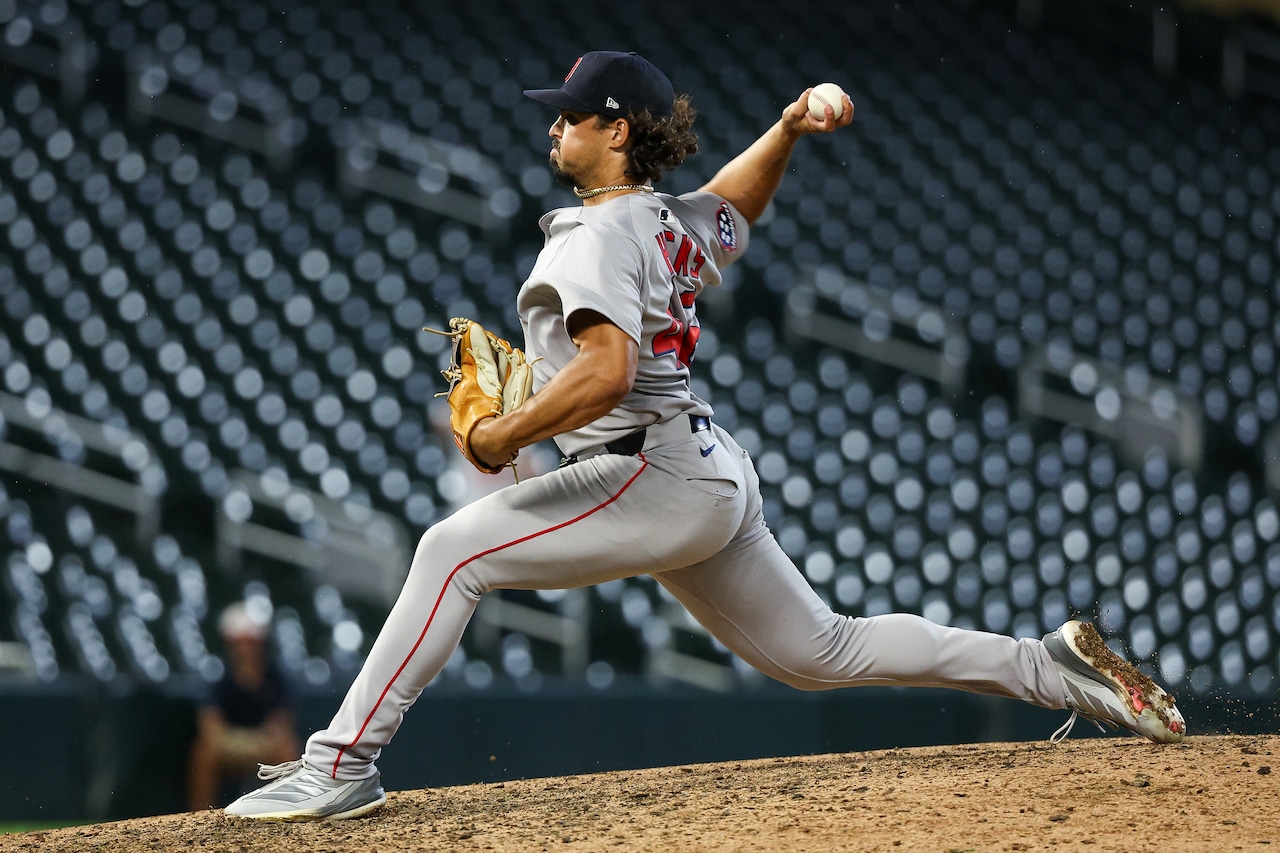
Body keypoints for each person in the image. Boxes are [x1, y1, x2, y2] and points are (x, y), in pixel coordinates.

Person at [224, 50, 1185, 822]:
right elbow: (734, 205)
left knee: (450, 550)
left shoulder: (600, 235)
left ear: (618, 131)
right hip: (700, 467)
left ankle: (340, 765)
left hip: (646, 471)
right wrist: (787, 128)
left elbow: (605, 372)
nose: (555, 125)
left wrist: (499, 436)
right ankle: (1049, 667)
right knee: (823, 651)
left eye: (572, 113)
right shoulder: (660, 221)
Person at [187, 602, 299, 811]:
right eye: (239, 643)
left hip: (264, 741)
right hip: (229, 741)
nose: (245, 649)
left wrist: (266, 738)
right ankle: (199, 814)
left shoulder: (275, 676)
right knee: (204, 752)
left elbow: (282, 720)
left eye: (251, 643)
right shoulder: (219, 674)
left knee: (287, 749)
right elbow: (210, 721)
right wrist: (229, 742)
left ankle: (289, 809)